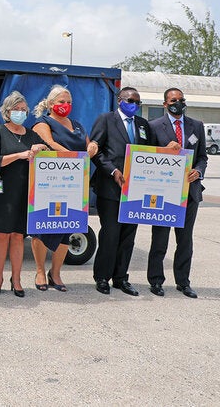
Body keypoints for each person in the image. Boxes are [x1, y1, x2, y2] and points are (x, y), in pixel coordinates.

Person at [31, 85, 98, 292]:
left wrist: (93, 145)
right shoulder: (43, 123)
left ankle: (56, 273)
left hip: (74, 184)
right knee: (42, 228)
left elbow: (87, 146)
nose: (65, 105)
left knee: (67, 228)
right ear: (51, 104)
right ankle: (40, 271)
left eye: (68, 102)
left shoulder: (76, 124)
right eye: (61, 102)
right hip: (48, 184)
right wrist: (75, 157)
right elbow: (49, 143)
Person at [90, 87, 154, 296]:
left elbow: (151, 152)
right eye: (130, 100)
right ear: (120, 100)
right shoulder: (106, 119)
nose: (134, 104)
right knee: (110, 234)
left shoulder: (143, 125)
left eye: (137, 101)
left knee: (128, 236)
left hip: (134, 191)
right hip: (110, 188)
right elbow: (95, 151)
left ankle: (120, 278)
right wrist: (113, 170)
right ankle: (102, 277)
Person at [147, 88, 207, 298]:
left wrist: (198, 171)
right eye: (174, 100)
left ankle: (183, 282)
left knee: (185, 240)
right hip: (164, 193)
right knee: (160, 239)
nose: (178, 103)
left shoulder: (196, 126)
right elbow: (146, 156)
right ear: (165, 104)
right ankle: (155, 281)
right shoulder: (154, 127)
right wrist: (164, 150)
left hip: (190, 192)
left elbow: (203, 157)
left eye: (181, 100)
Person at [0, 91, 47, 297]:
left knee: (18, 236)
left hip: (25, 192)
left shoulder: (31, 134)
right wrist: (20, 155)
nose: (20, 113)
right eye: (16, 109)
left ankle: (17, 278)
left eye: (23, 110)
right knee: (2, 235)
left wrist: (41, 146)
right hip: (3, 191)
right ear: (7, 111)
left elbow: (46, 150)